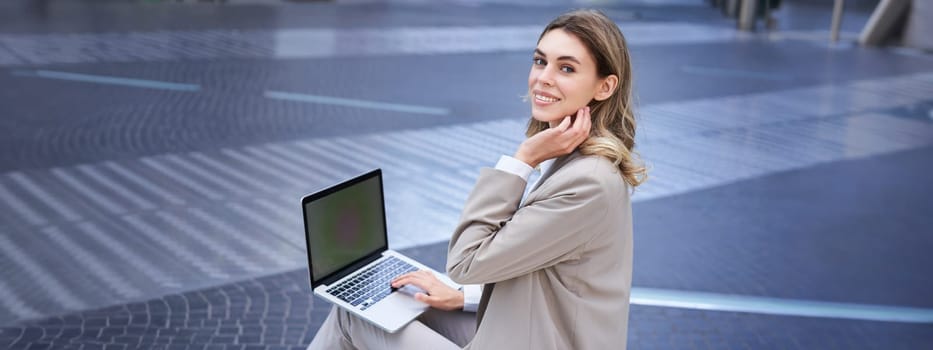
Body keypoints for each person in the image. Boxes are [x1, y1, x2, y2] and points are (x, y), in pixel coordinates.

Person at [307, 8, 645, 350]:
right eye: (540, 61)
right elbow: (532, 264)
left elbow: (466, 262)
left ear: (605, 87)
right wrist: (461, 297)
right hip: (528, 332)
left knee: (354, 316)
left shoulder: (587, 183)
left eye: (566, 68)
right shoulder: (576, 162)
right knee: (375, 306)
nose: (543, 77)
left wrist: (521, 160)